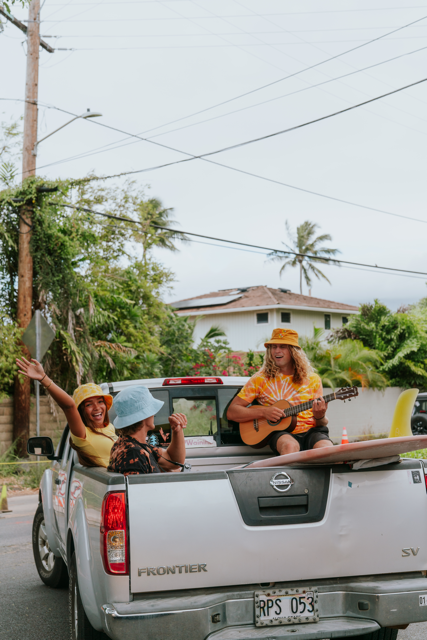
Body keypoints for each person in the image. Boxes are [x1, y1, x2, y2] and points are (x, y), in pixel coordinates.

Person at [227, 329, 333, 456]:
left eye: (283, 347)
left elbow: (320, 423)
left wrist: (319, 416)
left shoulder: (313, 379)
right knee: (290, 446)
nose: (277, 351)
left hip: (312, 431)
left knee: (328, 450)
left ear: (294, 351)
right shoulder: (260, 379)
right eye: (274, 347)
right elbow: (232, 412)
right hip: (281, 433)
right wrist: (264, 412)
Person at [16, 357, 116, 467]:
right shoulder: (83, 435)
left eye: (100, 401)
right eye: (89, 404)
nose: (97, 407)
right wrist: (43, 378)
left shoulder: (110, 427)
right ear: (81, 412)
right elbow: (69, 406)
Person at [108, 385, 187, 475]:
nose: (154, 414)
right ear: (143, 416)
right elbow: (137, 488)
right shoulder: (134, 454)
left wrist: (177, 431)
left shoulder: (130, 444)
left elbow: (173, 461)